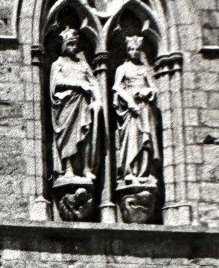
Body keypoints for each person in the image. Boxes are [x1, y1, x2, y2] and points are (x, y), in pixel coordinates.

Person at [50, 26, 101, 181]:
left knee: (84, 134)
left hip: (83, 104)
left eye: (75, 44)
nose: (74, 47)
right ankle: (68, 169)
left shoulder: (83, 65)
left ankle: (86, 168)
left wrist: (98, 100)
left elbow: (94, 82)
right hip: (66, 105)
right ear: (64, 45)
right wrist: (78, 85)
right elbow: (56, 82)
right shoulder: (58, 63)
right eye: (70, 44)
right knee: (67, 135)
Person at [112, 34, 160, 182]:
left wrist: (147, 91)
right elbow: (116, 87)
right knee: (132, 139)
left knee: (146, 139)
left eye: (137, 49)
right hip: (131, 110)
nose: (135, 52)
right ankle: (130, 171)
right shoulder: (122, 68)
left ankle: (145, 172)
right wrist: (130, 101)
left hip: (144, 108)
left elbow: (154, 89)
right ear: (127, 51)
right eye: (131, 49)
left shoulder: (144, 70)